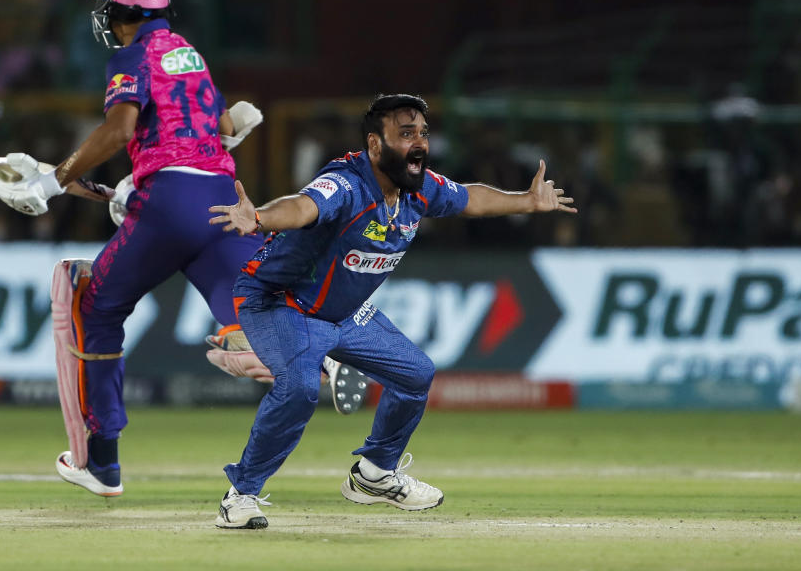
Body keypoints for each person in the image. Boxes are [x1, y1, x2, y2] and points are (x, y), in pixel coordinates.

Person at [0, 0, 365, 499]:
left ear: (119, 7)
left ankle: (102, 462)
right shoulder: (188, 52)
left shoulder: (133, 55)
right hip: (221, 197)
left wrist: (54, 182)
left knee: (95, 307)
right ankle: (325, 355)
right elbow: (215, 127)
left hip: (170, 201)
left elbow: (120, 131)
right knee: (248, 320)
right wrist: (118, 187)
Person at [207, 93, 576, 528]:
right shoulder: (345, 184)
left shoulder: (418, 190)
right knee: (301, 388)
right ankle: (241, 494)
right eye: (405, 134)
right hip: (279, 301)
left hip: (342, 312)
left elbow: (469, 198)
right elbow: (303, 206)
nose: (419, 143)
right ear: (375, 145)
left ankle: (375, 473)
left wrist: (527, 202)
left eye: (423, 133)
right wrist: (262, 219)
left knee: (415, 373)